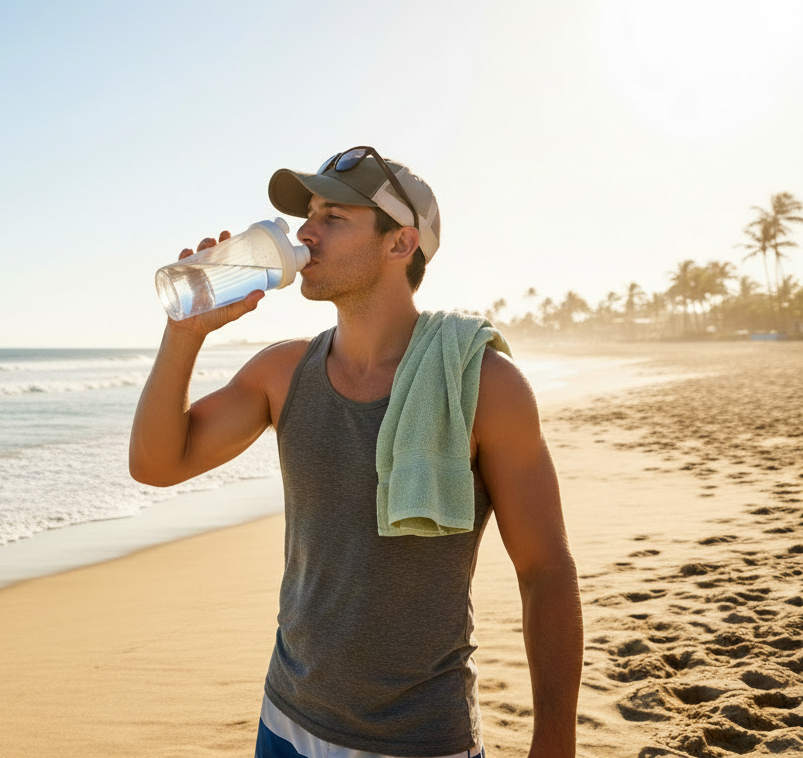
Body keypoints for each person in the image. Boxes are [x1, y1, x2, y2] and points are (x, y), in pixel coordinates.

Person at [129, 147, 582, 758]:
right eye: (307, 214)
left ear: (400, 244)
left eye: (333, 217)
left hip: (419, 738)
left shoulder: (484, 385)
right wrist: (184, 334)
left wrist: (554, 745)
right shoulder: (282, 372)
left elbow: (546, 570)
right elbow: (157, 464)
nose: (305, 233)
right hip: (285, 719)